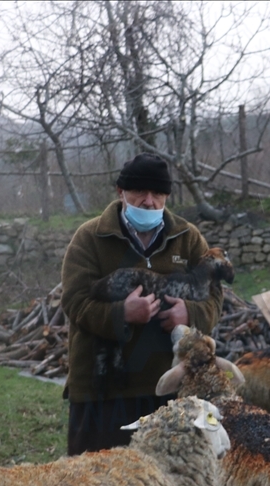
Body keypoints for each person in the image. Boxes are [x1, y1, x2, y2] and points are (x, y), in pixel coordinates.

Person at [60, 153, 223, 455]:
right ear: (121, 192)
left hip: (169, 389)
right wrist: (121, 314)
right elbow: (74, 302)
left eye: (157, 193)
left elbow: (214, 296)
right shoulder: (90, 238)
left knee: (166, 485)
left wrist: (191, 313)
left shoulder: (187, 238)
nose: (149, 201)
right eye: (140, 191)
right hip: (102, 392)